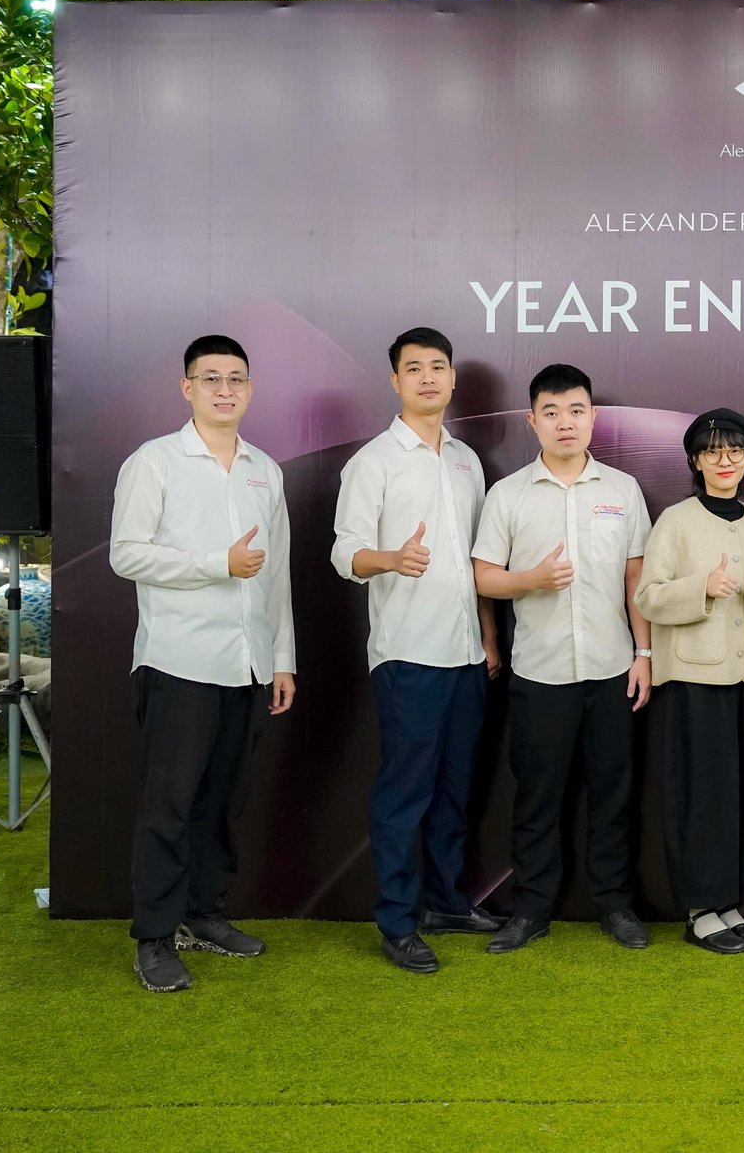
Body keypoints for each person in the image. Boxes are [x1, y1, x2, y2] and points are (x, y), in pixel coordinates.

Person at [110, 334, 296, 993]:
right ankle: (155, 938)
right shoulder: (154, 462)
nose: (225, 389)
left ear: (250, 389)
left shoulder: (264, 470)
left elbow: (276, 578)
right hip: (179, 661)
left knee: (221, 803)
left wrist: (282, 659)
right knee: (170, 806)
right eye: (210, 378)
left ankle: (203, 914)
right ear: (186, 387)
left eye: (237, 379)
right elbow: (125, 554)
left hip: (247, 664)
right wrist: (214, 564)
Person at [331, 327, 501, 974]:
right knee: (406, 794)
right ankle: (399, 922)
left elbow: (479, 561)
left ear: (452, 379)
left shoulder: (466, 460)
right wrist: (393, 557)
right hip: (407, 655)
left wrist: (488, 637)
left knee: (455, 792)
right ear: (395, 381)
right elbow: (344, 553)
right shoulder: (373, 462)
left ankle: (448, 903)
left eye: (438, 366)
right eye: (414, 368)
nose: (428, 377)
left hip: (465, 655)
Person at [471, 364, 655, 955]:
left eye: (576, 410)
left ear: (593, 417)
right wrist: (530, 579)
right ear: (532, 421)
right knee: (536, 797)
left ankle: (616, 905)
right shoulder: (509, 493)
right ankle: (530, 909)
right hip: (539, 672)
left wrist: (644, 652)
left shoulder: (622, 490)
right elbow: (483, 577)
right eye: (550, 412)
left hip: (610, 669)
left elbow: (637, 578)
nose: (564, 422)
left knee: (614, 794)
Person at [635, 409, 744, 955]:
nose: (724, 461)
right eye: (712, 451)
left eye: (735, 451)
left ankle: (730, 904)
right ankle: (700, 910)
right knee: (702, 797)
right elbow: (648, 597)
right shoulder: (675, 521)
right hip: (696, 679)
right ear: (695, 460)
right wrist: (705, 585)